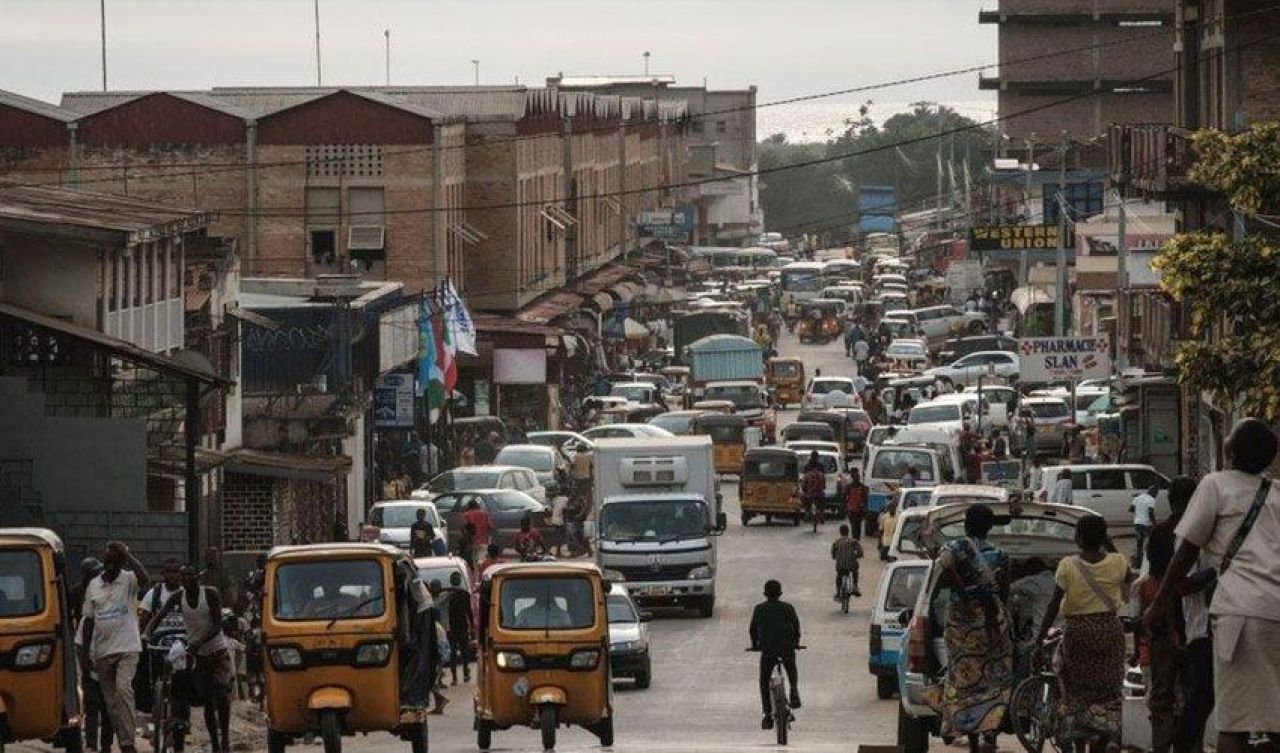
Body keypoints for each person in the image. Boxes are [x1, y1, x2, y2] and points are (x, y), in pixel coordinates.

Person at [1145, 419, 1280, 753]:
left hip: (1239, 612)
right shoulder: (1277, 494)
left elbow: (1188, 549)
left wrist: (1159, 603)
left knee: (1233, 724)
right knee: (1273, 721)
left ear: (1229, 451)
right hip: (1276, 611)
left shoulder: (1215, 485)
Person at [1037, 514, 1134, 752]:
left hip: (1078, 633)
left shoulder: (1068, 565)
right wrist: (1109, 544)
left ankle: (1080, 745)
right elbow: (1129, 579)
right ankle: (1104, 739)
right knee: (1109, 689)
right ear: (1103, 538)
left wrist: (1040, 637)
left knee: (1076, 691)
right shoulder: (1118, 561)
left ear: (1078, 537)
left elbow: (1053, 605)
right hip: (1109, 630)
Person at [934, 505, 1013, 753]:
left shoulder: (954, 548)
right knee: (995, 680)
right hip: (992, 623)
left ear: (966, 524)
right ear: (990, 527)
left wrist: (964, 595)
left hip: (962, 624)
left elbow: (943, 568)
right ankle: (990, 731)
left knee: (963, 679)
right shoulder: (999, 554)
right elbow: (1005, 590)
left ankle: (969, 737)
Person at [145, 565, 233, 753]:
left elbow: (218, 624)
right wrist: (147, 632)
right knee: (207, 701)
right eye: (183, 576)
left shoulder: (210, 594)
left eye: (189, 575)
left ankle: (224, 739)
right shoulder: (178, 597)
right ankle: (215, 745)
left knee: (221, 692)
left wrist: (199, 642)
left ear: (196, 578)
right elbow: (160, 615)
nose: (185, 579)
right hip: (199, 657)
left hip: (217, 652)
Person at [81, 541, 151, 753]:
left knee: (123, 691)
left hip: (127, 648)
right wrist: (85, 654)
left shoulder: (129, 579)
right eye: (109, 560)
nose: (112, 565)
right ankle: (124, 741)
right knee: (111, 706)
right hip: (103, 652)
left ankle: (128, 744)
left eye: (117, 561)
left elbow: (145, 579)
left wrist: (127, 554)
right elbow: (89, 621)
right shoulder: (94, 585)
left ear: (122, 563)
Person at [749, 580, 802, 730]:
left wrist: (755, 645)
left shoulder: (759, 609)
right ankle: (793, 689)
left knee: (764, 681)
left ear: (766, 594)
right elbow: (796, 627)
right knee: (791, 666)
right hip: (786, 647)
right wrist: (796, 642)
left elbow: (753, 629)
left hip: (768, 649)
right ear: (780, 593)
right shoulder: (788, 608)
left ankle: (767, 714)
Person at [75, 558, 114, 753]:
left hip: (108, 666)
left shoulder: (113, 614)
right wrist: (85, 663)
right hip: (91, 665)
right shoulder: (86, 616)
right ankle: (91, 744)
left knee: (108, 710)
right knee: (91, 707)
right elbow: (80, 642)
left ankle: (105, 746)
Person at [445, 572, 474, 685]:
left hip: (452, 627)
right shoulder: (464, 594)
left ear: (451, 581)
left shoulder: (448, 594)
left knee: (453, 653)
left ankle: (455, 678)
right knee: (464, 650)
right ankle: (465, 673)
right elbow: (469, 611)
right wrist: (471, 625)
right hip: (461, 626)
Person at [830, 524, 864, 599]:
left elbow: (833, 554)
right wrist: (857, 556)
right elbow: (860, 552)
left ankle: (838, 592)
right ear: (848, 532)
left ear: (840, 532)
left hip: (840, 565)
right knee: (855, 571)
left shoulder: (836, 542)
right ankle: (855, 586)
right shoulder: (853, 541)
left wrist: (836, 557)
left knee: (839, 576)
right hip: (851, 565)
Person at [1131, 484, 1158, 568]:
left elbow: (1131, 509)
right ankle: (1150, 562)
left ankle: (1137, 564)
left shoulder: (1138, 497)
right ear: (1154, 492)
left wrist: (1139, 511)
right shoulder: (1151, 499)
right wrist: (1155, 524)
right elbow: (1150, 512)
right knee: (1151, 543)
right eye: (1156, 493)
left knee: (1139, 544)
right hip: (1147, 524)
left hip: (1137, 523)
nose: (1156, 495)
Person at [462, 499, 493, 564]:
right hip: (483, 540)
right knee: (481, 560)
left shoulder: (466, 514)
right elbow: (490, 527)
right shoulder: (485, 514)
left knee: (472, 561)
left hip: (471, 541)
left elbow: (464, 527)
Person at [801, 452, 826, 525]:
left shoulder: (807, 467)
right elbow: (823, 479)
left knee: (804, 499)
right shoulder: (820, 466)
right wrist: (823, 486)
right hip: (819, 492)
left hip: (810, 492)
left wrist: (804, 488)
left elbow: (804, 480)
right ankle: (821, 514)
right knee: (822, 501)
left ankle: (807, 512)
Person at [844, 469, 868, 538]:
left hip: (859, 510)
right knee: (854, 526)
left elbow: (865, 498)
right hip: (852, 510)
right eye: (856, 477)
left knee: (857, 526)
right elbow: (844, 497)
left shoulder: (862, 487)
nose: (857, 479)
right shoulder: (849, 487)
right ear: (853, 478)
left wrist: (864, 507)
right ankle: (855, 538)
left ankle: (856, 538)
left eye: (858, 477)